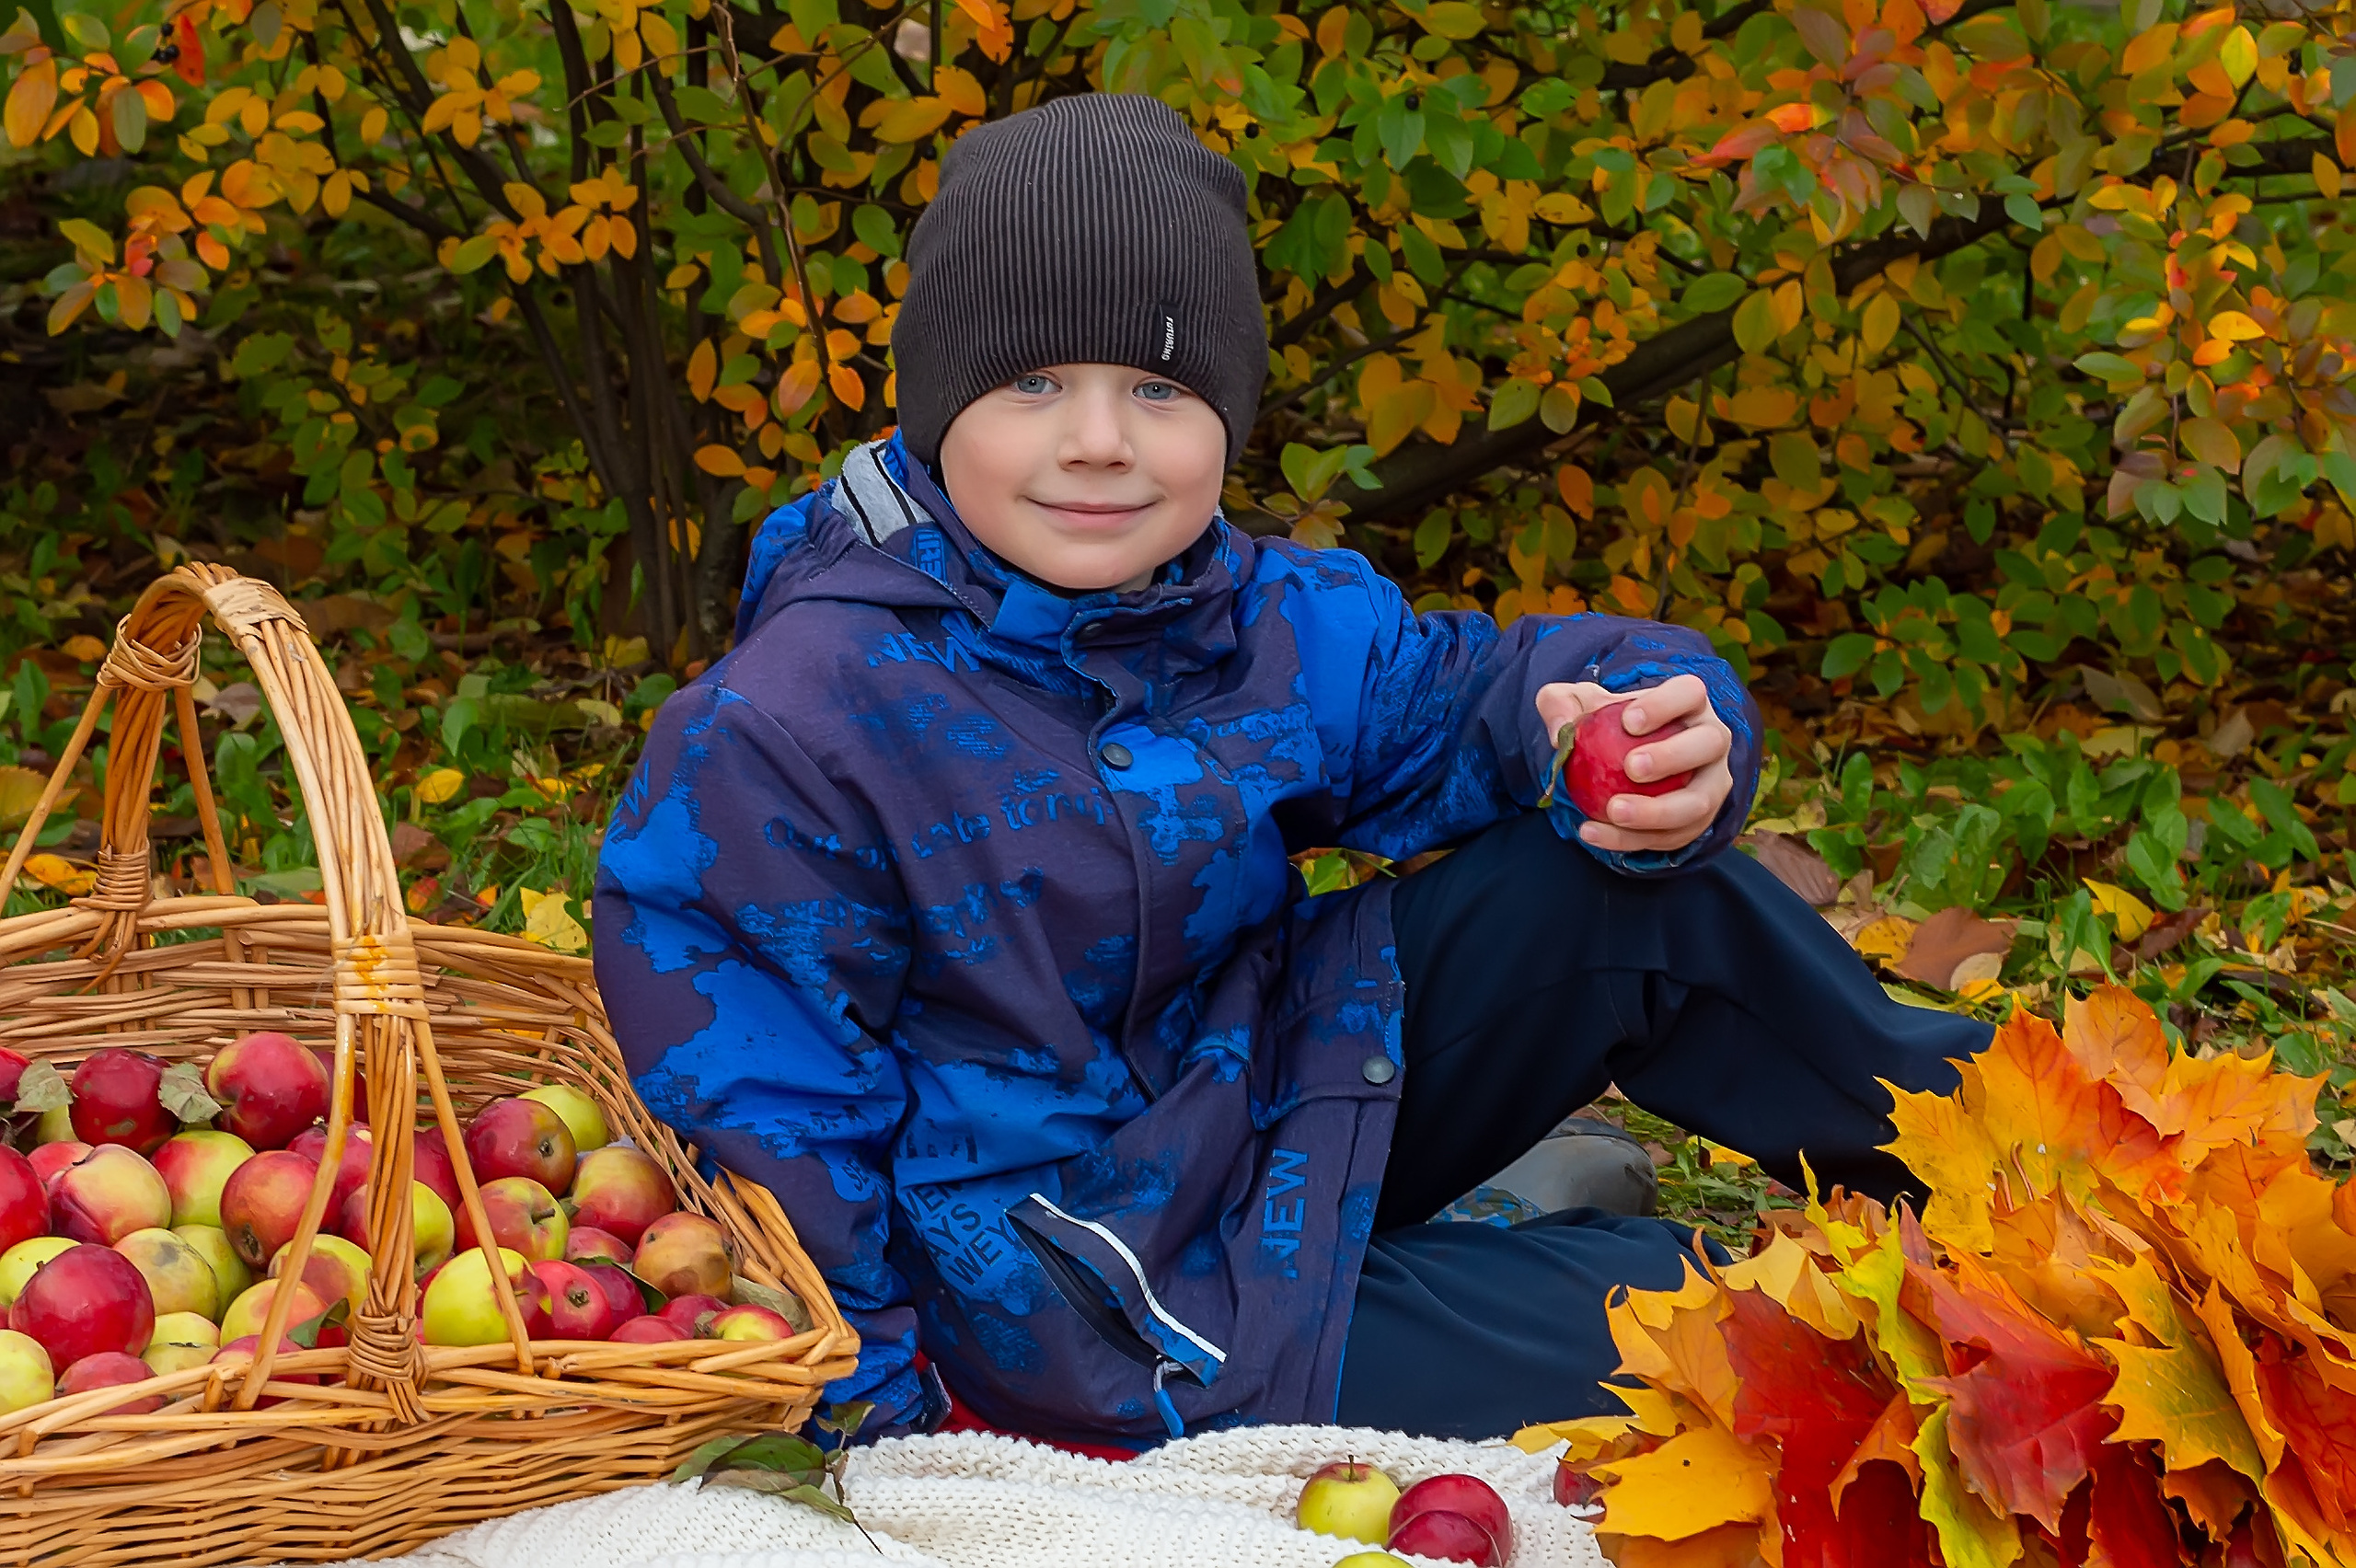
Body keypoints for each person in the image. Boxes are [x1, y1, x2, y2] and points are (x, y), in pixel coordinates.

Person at [592, 92, 1992, 1448]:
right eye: (1031, 384)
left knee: (1639, 899)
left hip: (1274, 1087)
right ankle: (1599, 1263)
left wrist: (1629, 719)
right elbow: (763, 1111)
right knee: (1724, 1332)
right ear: (935, 403)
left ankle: (2038, 1175)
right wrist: (876, 1415)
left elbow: (1466, 700)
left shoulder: (1247, 613)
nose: (1097, 441)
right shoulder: (790, 725)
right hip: (1077, 1283)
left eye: (1158, 387)